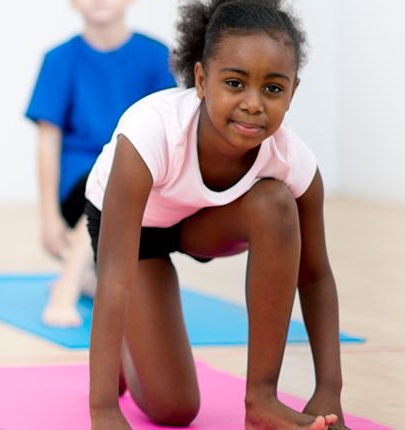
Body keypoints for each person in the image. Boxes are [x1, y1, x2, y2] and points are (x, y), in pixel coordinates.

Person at [85, 1, 346, 428]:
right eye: (235, 83)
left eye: (273, 89)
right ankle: (127, 354)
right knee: (174, 409)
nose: (253, 104)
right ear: (202, 80)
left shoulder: (292, 160)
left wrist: (328, 392)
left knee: (275, 204)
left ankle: (260, 401)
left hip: (203, 222)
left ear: (293, 92)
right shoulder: (151, 131)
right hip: (138, 235)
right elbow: (114, 277)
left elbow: (315, 276)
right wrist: (104, 411)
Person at [26, 0, 177, 328]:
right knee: (110, 185)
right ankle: (66, 288)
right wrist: (49, 217)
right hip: (80, 187)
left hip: (139, 181)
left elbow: (170, 132)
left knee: (122, 179)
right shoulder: (59, 60)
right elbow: (47, 143)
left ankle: (86, 273)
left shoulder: (156, 57)